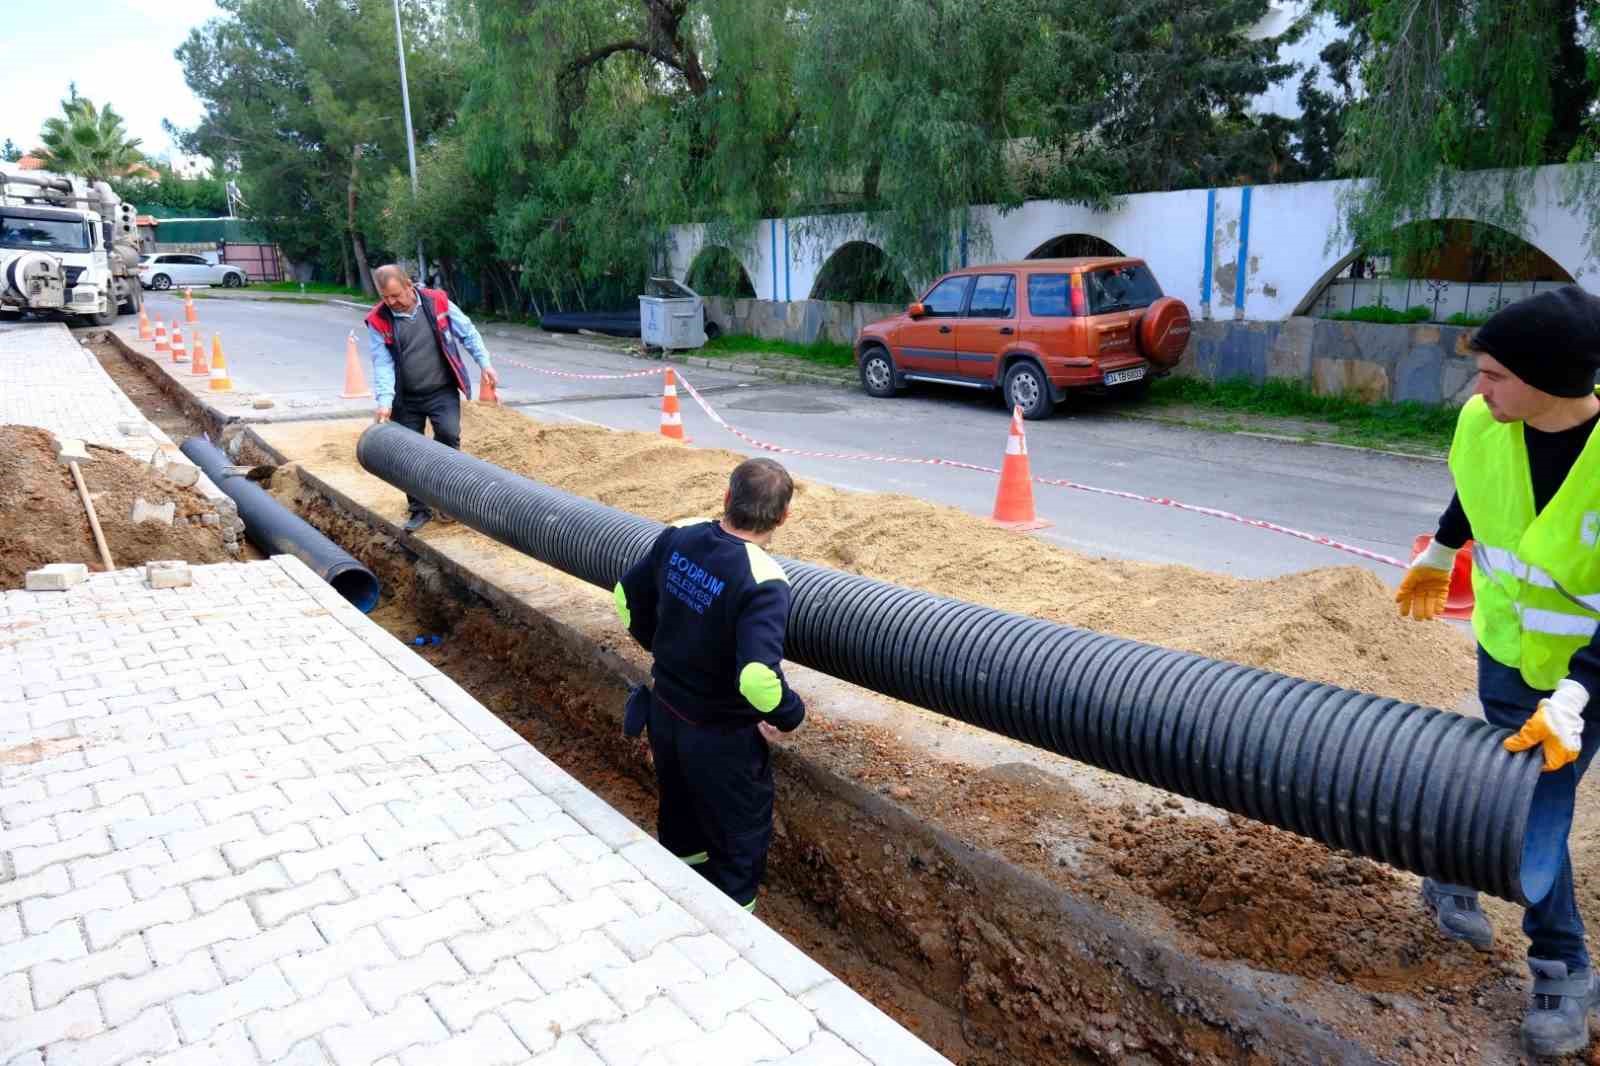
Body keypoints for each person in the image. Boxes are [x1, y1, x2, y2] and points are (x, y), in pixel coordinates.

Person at [1396, 285, 1600, 1058]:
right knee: (1522, 803)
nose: (1477, 388)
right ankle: (1536, 943)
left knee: (1530, 808)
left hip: (1586, 675)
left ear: (1550, 381)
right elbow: (1476, 488)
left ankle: (1551, 956)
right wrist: (1443, 550)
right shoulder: (1488, 421)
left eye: (1494, 374)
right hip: (1506, 652)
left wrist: (1578, 695)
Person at [613, 458, 806, 911]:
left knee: (679, 815)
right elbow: (757, 677)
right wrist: (790, 715)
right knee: (738, 840)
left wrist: (667, 649)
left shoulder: (680, 534)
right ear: (783, 518)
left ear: (726, 499)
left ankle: (677, 900)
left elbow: (626, 598)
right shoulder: (764, 580)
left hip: (664, 711)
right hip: (721, 739)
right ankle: (731, 934)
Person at [364, 263, 499, 533]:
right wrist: (385, 402)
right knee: (407, 454)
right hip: (406, 397)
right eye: (385, 297)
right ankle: (419, 509)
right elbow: (382, 364)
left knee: (449, 437)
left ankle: (447, 501)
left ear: (409, 286)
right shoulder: (379, 320)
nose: (391, 302)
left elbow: (467, 332)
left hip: (441, 390)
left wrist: (485, 363)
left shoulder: (437, 302)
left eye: (396, 295)